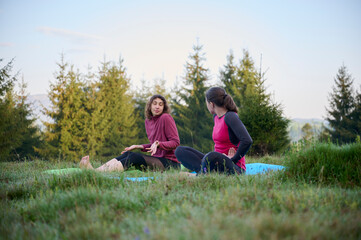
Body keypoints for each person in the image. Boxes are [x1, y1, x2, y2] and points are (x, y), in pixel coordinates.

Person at [80, 94, 181, 172]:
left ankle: (98, 172)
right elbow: (154, 146)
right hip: (157, 160)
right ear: (150, 106)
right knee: (129, 153)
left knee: (134, 157)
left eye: (160, 104)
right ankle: (96, 170)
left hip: (170, 164)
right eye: (154, 103)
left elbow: (175, 142)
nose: (157, 107)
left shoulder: (166, 117)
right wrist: (139, 146)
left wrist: (158, 143)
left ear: (164, 107)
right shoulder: (148, 121)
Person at [175, 87, 253, 175]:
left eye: (206, 103)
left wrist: (233, 159)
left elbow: (247, 140)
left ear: (211, 104)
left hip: (234, 168)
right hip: (216, 162)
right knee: (180, 151)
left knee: (211, 156)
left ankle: (198, 176)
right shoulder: (216, 117)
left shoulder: (230, 116)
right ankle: (207, 172)